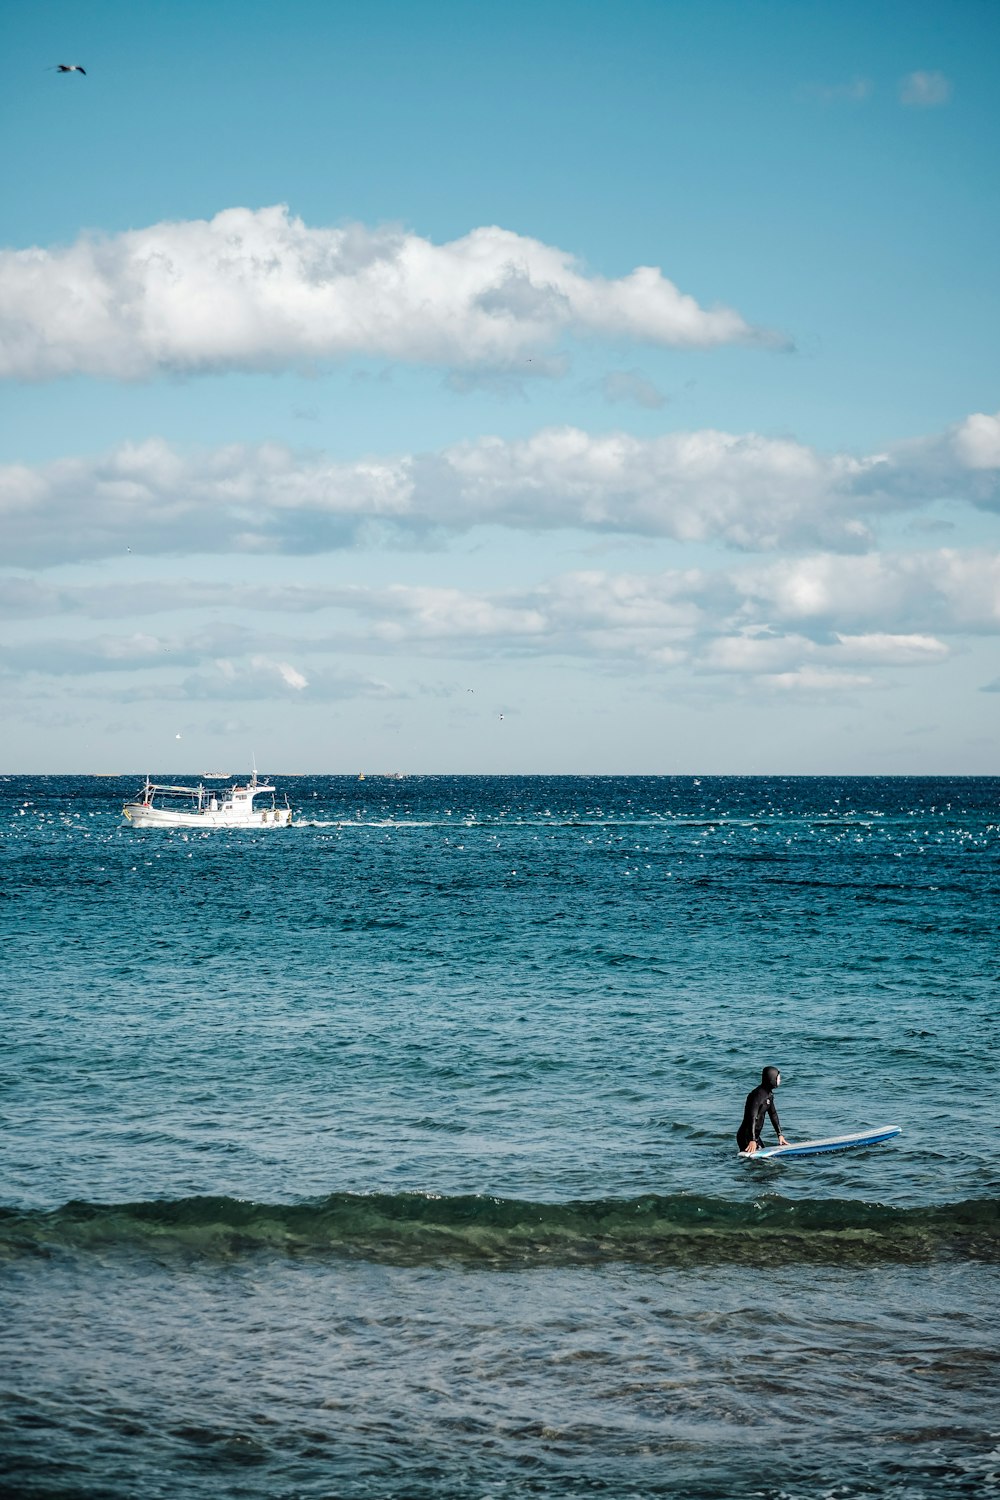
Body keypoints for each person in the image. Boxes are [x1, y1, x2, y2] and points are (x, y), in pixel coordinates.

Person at [737, 1065, 789, 1154]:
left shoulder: (769, 1095)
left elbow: (773, 1114)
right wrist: (752, 1140)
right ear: (771, 1079)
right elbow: (752, 1117)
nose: (779, 1080)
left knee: (761, 1159)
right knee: (752, 1163)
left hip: (755, 1136)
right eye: (778, 1078)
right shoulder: (757, 1095)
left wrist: (780, 1135)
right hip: (746, 1136)